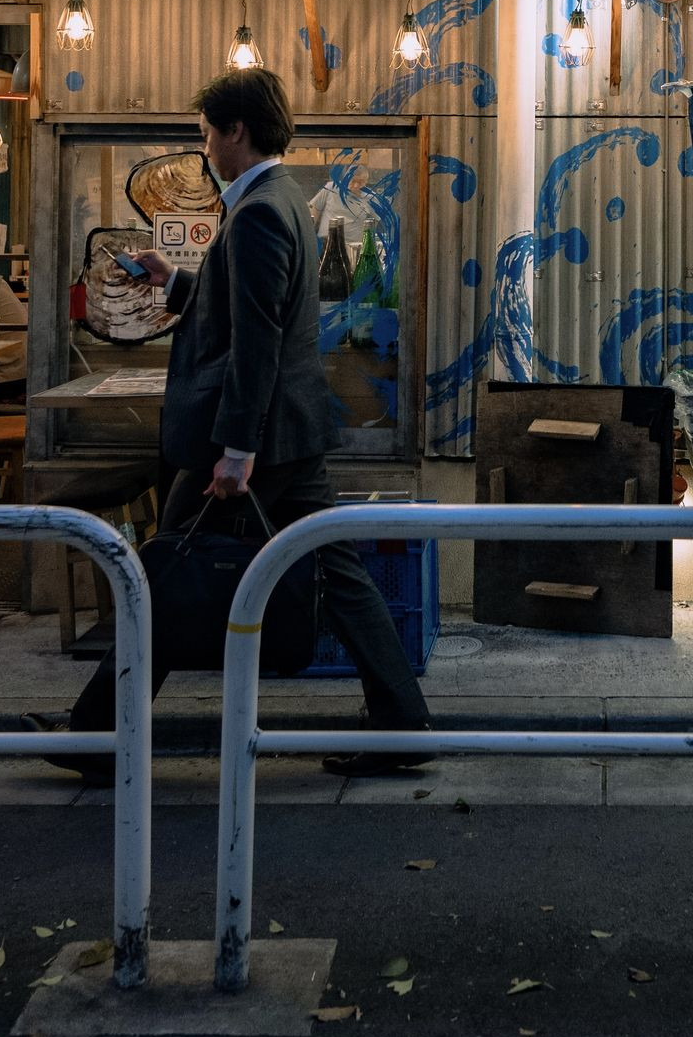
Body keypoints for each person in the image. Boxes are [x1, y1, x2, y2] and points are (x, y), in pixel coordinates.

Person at [65, 65, 429, 773]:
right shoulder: (278, 197)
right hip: (287, 433)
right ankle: (402, 721)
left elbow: (258, 339)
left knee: (166, 571)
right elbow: (247, 307)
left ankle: (98, 733)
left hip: (252, 441)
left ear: (236, 130)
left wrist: (236, 448)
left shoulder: (258, 211)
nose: (203, 148)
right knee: (337, 571)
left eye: (206, 133)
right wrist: (173, 280)